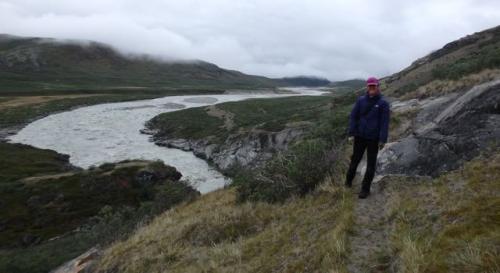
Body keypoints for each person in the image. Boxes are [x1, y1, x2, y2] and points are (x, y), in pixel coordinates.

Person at [345, 77, 390, 199]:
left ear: (378, 87)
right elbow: (353, 117)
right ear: (367, 87)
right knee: (355, 160)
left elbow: (385, 123)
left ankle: (365, 189)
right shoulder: (360, 101)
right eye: (370, 86)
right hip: (359, 136)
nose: (372, 88)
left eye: (374, 86)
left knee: (371, 164)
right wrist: (351, 133)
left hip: (373, 139)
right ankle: (348, 182)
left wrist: (382, 139)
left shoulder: (383, 104)